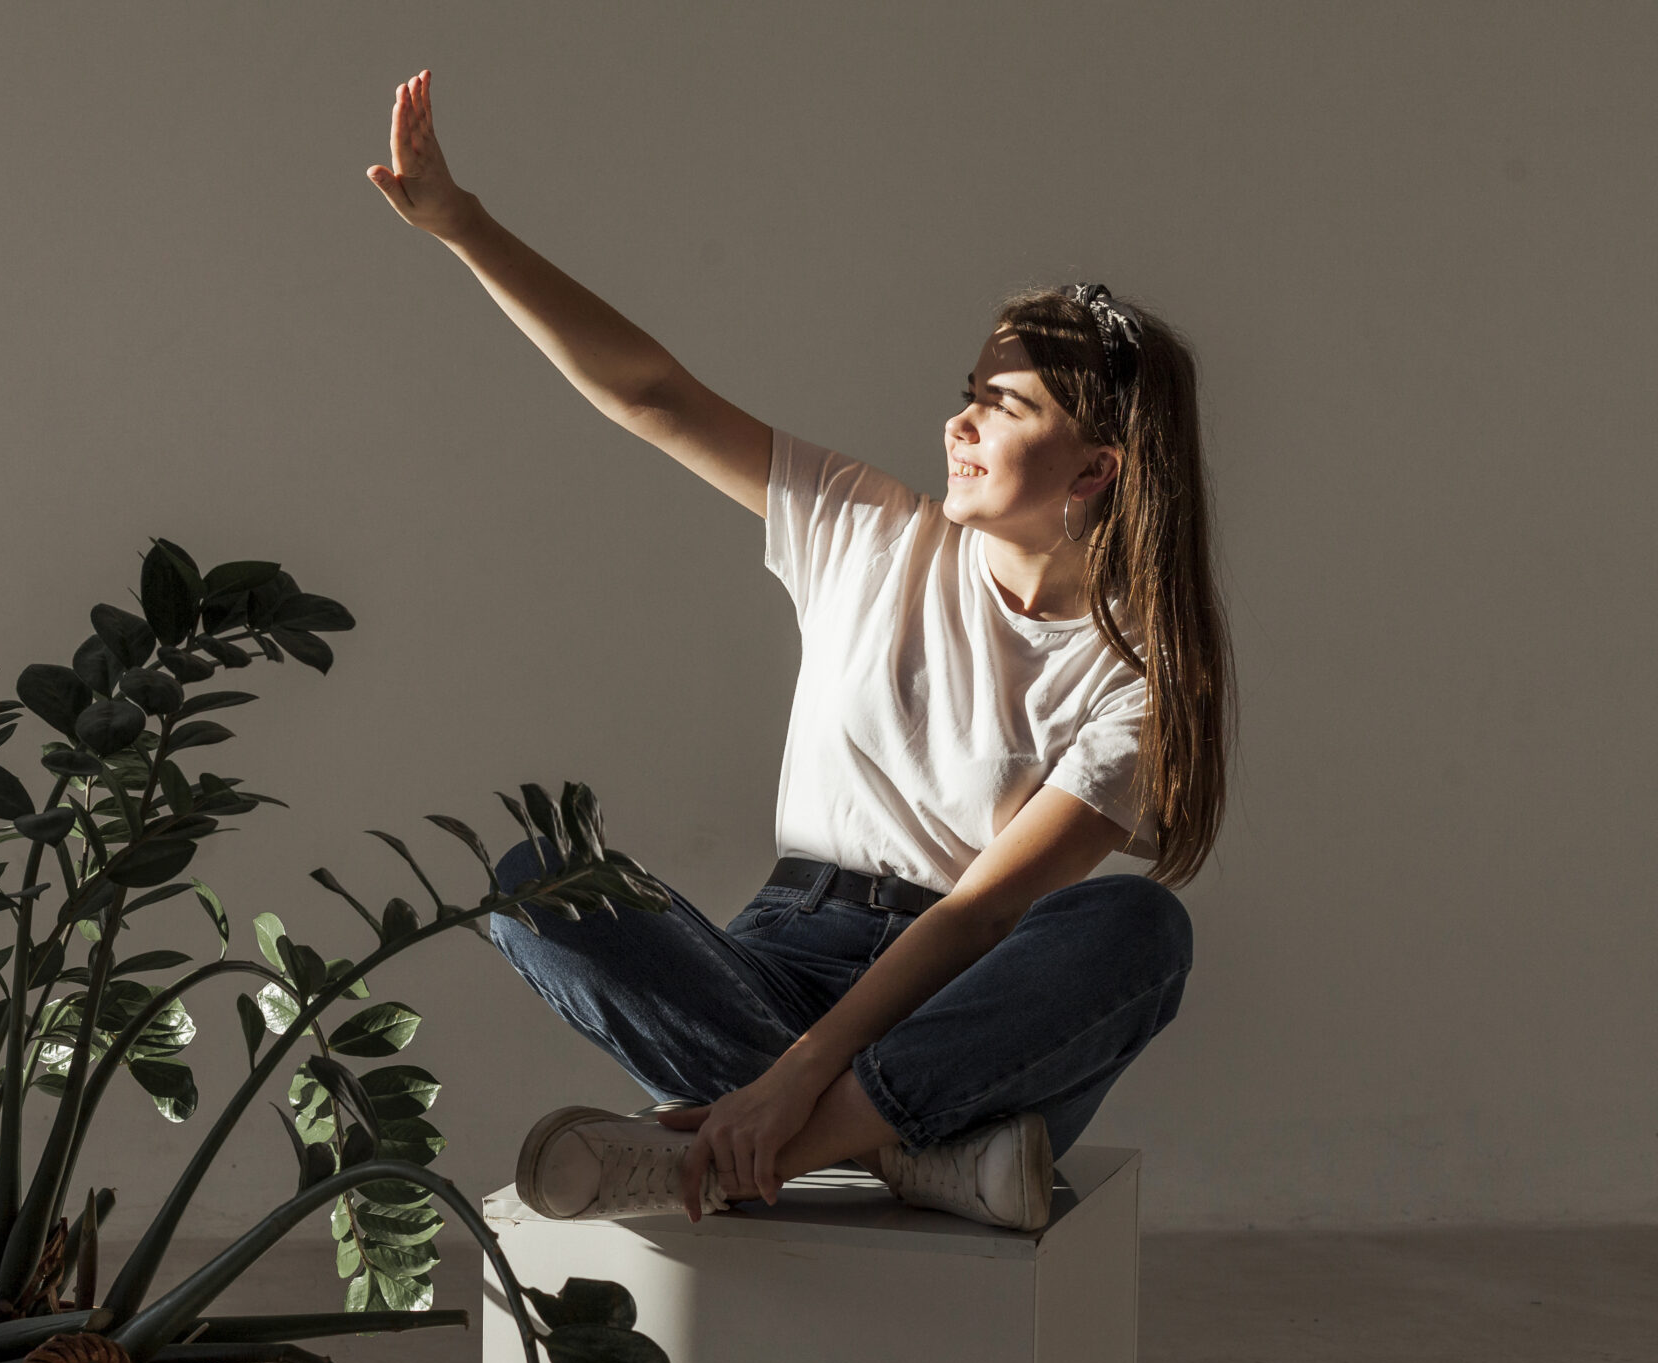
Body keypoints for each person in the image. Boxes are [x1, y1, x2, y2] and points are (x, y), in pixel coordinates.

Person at [367, 71, 1230, 1232]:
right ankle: (915, 1159)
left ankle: (746, 1149)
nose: (958, 423)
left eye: (1005, 407)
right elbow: (650, 393)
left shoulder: (1137, 682)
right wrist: (463, 227)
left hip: (962, 1000)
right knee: (540, 882)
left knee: (1138, 929)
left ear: (1095, 471)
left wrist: (789, 1084)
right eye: (967, 392)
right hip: (776, 959)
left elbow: (974, 919)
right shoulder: (868, 529)